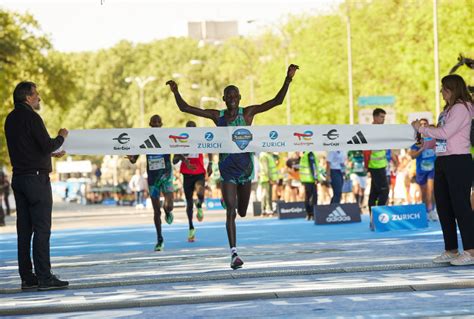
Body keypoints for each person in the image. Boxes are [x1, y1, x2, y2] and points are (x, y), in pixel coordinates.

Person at [167, 64, 299, 269]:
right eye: (227, 96)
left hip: (246, 169)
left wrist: (288, 78)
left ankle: (230, 199)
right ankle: (233, 254)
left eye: (234, 95)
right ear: (223, 99)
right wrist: (176, 92)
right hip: (227, 169)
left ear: (239, 97)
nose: (231, 99)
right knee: (231, 211)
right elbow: (186, 108)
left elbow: (277, 101)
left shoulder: (248, 114)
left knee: (243, 210)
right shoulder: (217, 116)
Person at [4, 81, 69, 291]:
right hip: (37, 180)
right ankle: (44, 276)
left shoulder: (10, 119)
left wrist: (49, 154)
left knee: (24, 230)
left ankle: (27, 277)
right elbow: (46, 144)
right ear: (27, 97)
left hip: (20, 179)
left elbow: (27, 148)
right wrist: (61, 136)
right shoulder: (32, 117)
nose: (39, 98)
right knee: (42, 228)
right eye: (36, 94)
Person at [412, 74, 474, 266]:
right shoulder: (447, 110)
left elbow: (447, 133)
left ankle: (471, 251)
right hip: (443, 160)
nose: (441, 92)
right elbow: (440, 138)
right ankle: (451, 249)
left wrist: (423, 129)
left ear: (453, 89)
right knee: (444, 206)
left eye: (444, 89)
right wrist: (425, 143)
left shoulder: (462, 107)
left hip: (458, 161)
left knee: (461, 206)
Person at [127, 114, 174, 252]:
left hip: (166, 175)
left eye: (158, 122)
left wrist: (184, 158)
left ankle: (168, 211)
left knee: (169, 205)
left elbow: (181, 146)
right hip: (153, 178)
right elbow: (134, 159)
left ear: (162, 124)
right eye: (154, 122)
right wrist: (131, 158)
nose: (156, 124)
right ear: (150, 124)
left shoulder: (167, 137)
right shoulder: (145, 139)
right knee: (155, 211)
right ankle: (159, 239)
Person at [173, 120, 213, 242]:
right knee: (189, 202)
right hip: (186, 174)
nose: (191, 129)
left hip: (199, 172)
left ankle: (200, 204)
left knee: (201, 192)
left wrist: (210, 163)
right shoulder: (181, 141)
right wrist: (182, 156)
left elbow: (210, 147)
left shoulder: (200, 139)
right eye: (188, 127)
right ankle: (191, 227)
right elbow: (174, 160)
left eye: (193, 127)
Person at [364, 108, 398, 230]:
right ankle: (378, 218)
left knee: (374, 193)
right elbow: (366, 150)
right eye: (381, 117)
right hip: (375, 166)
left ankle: (373, 219)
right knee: (384, 191)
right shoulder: (370, 131)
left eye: (384, 117)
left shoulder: (381, 130)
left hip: (381, 165)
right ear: (375, 117)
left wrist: (393, 158)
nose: (383, 120)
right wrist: (366, 164)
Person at [409, 118, 437, 221]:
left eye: (425, 124)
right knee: (424, 193)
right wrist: (422, 148)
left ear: (428, 125)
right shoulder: (417, 142)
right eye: (421, 124)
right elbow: (412, 156)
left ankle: (432, 211)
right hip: (421, 170)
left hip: (432, 170)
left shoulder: (434, 139)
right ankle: (425, 211)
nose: (424, 125)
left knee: (431, 191)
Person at [299, 151, 318, 220]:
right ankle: (313, 214)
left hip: (305, 179)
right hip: (311, 179)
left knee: (307, 197)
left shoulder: (304, 155)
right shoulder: (310, 154)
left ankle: (308, 214)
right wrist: (315, 177)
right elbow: (313, 166)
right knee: (313, 197)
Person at [258, 152, 278, 216]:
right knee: (266, 195)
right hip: (266, 179)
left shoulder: (269, 155)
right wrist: (270, 178)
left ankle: (268, 210)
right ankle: (266, 210)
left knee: (269, 195)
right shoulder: (264, 155)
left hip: (269, 178)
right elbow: (265, 168)